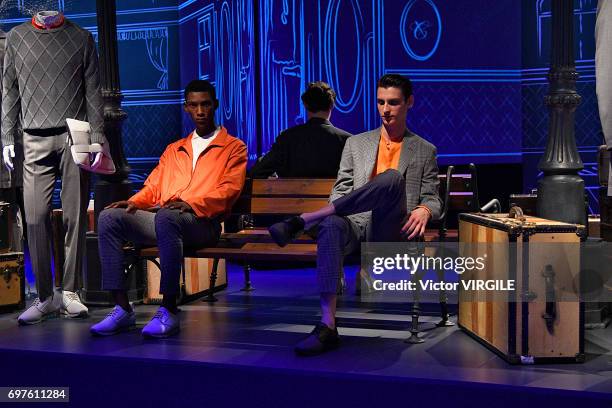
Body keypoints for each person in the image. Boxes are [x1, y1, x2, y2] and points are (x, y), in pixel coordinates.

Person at [269, 74, 442, 356]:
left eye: (394, 103)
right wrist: (337, 213)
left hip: (392, 227)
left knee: (392, 179)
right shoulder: (356, 143)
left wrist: (424, 209)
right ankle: (327, 326)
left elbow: (433, 197)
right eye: (380, 102)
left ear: (409, 102)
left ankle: (305, 220)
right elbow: (341, 190)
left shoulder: (424, 150)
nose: (385, 109)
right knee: (332, 225)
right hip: (356, 224)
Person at [90, 80, 247, 338]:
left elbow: (229, 191)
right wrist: (135, 202)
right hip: (168, 221)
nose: (200, 111)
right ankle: (121, 308)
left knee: (166, 216)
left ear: (215, 105)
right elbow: (154, 186)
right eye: (194, 105)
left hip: (203, 223)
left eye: (205, 104)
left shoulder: (233, 147)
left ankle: (169, 309)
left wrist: (191, 203)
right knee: (109, 217)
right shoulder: (175, 149)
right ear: (186, 108)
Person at [3, 11, 106, 324]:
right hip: (32, 138)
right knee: (34, 218)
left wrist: (98, 137)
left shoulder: (82, 37)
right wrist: (7, 135)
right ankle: (46, 296)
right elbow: (9, 91)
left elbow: (93, 92)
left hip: (74, 136)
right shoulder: (17, 38)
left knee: (75, 216)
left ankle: (71, 291)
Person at [249, 81, 351, 178]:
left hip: (293, 196)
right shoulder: (348, 141)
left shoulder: (286, 138)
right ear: (332, 106)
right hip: (337, 197)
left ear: (305, 105)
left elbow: (257, 171)